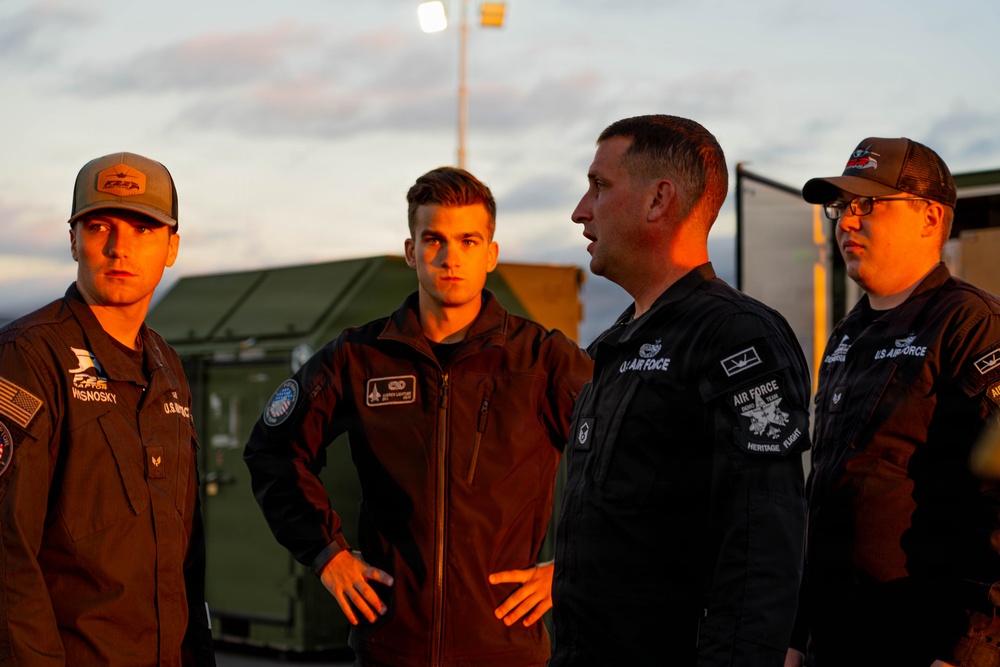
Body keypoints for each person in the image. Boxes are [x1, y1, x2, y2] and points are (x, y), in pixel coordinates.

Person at [243, 166, 593, 667]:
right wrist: (326, 555)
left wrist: (574, 566)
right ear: (411, 251)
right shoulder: (360, 357)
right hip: (392, 646)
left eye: (468, 241)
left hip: (504, 648)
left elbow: (631, 457)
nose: (451, 258)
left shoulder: (542, 360)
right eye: (434, 240)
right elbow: (272, 452)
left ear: (491, 254)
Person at [550, 115, 812, 666]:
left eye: (599, 186)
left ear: (658, 199)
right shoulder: (613, 344)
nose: (580, 210)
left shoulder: (736, 336)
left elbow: (761, 547)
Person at [788, 137, 1000, 667]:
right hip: (832, 643)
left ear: (930, 217)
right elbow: (826, 498)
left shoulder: (972, 326)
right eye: (842, 207)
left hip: (925, 645)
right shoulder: (845, 337)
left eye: (867, 204)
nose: (846, 221)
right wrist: (795, 636)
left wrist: (968, 650)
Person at [0, 152, 215, 665]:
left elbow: (185, 550)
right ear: (74, 240)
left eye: (143, 228)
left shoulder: (166, 365)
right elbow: (7, 559)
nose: (120, 247)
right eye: (99, 227)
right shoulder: (28, 357)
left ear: (172, 246)